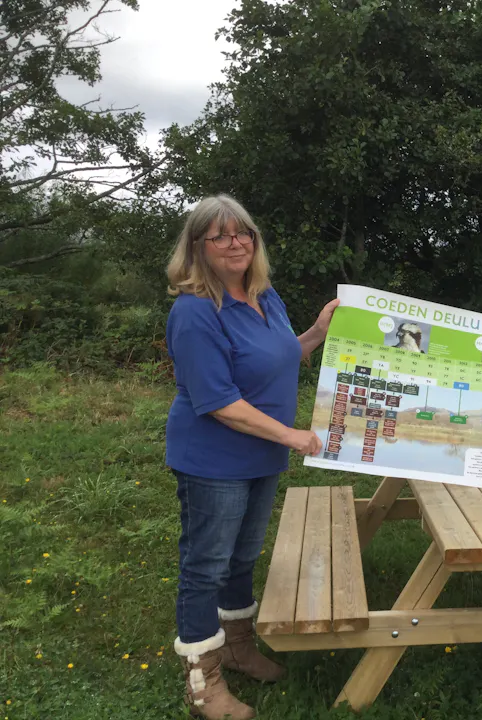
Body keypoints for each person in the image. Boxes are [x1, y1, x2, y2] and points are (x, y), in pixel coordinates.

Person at [165, 194, 338, 720]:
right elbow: (218, 402)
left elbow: (282, 354)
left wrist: (316, 332)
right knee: (206, 565)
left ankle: (238, 648)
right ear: (198, 248)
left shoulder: (265, 296)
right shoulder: (195, 311)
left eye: (243, 233)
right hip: (214, 458)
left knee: (242, 558)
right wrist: (293, 436)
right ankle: (203, 679)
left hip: (261, 455)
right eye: (219, 235)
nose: (234, 243)